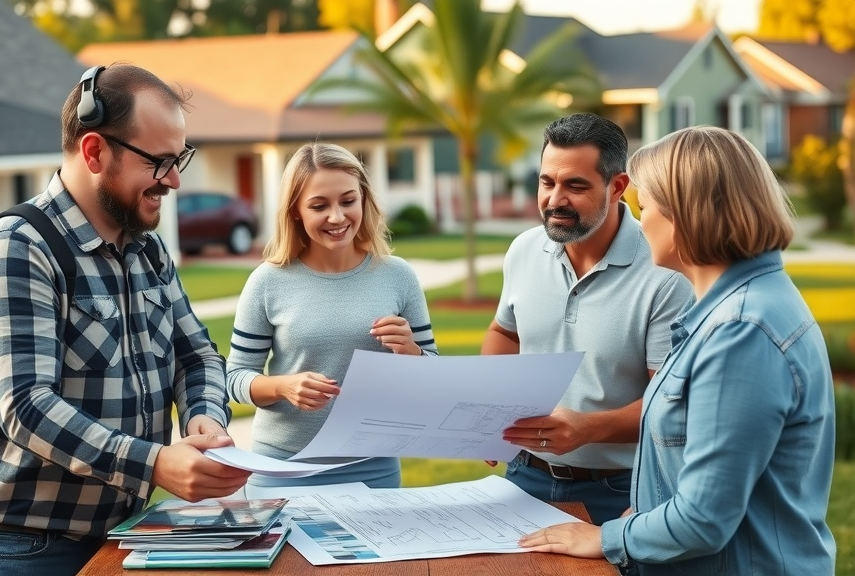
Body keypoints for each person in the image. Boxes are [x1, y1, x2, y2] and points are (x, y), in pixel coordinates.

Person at [0, 63, 251, 576]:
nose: (175, 180)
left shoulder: (147, 251)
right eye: (160, 162)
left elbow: (195, 354)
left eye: (180, 159)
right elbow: (27, 405)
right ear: (94, 151)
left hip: (112, 542)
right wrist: (155, 463)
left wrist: (205, 416)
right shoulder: (17, 250)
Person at [520, 125, 836, 574]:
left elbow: (704, 519)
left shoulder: (741, 333)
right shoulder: (732, 309)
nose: (638, 220)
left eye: (644, 207)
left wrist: (606, 536)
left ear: (686, 215)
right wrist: (645, 515)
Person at [481, 113, 692, 525]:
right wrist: (492, 409)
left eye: (575, 185)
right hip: (523, 476)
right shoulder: (524, 249)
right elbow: (504, 332)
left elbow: (670, 404)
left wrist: (588, 428)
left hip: (620, 489)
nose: (554, 200)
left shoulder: (665, 273)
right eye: (546, 182)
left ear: (617, 187)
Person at [226, 142, 438, 491]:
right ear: (295, 211)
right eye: (319, 205)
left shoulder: (398, 276)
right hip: (282, 469)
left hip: (374, 468)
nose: (337, 217)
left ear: (364, 199)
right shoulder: (267, 281)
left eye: (348, 201)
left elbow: (433, 380)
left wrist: (411, 352)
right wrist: (284, 386)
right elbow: (235, 378)